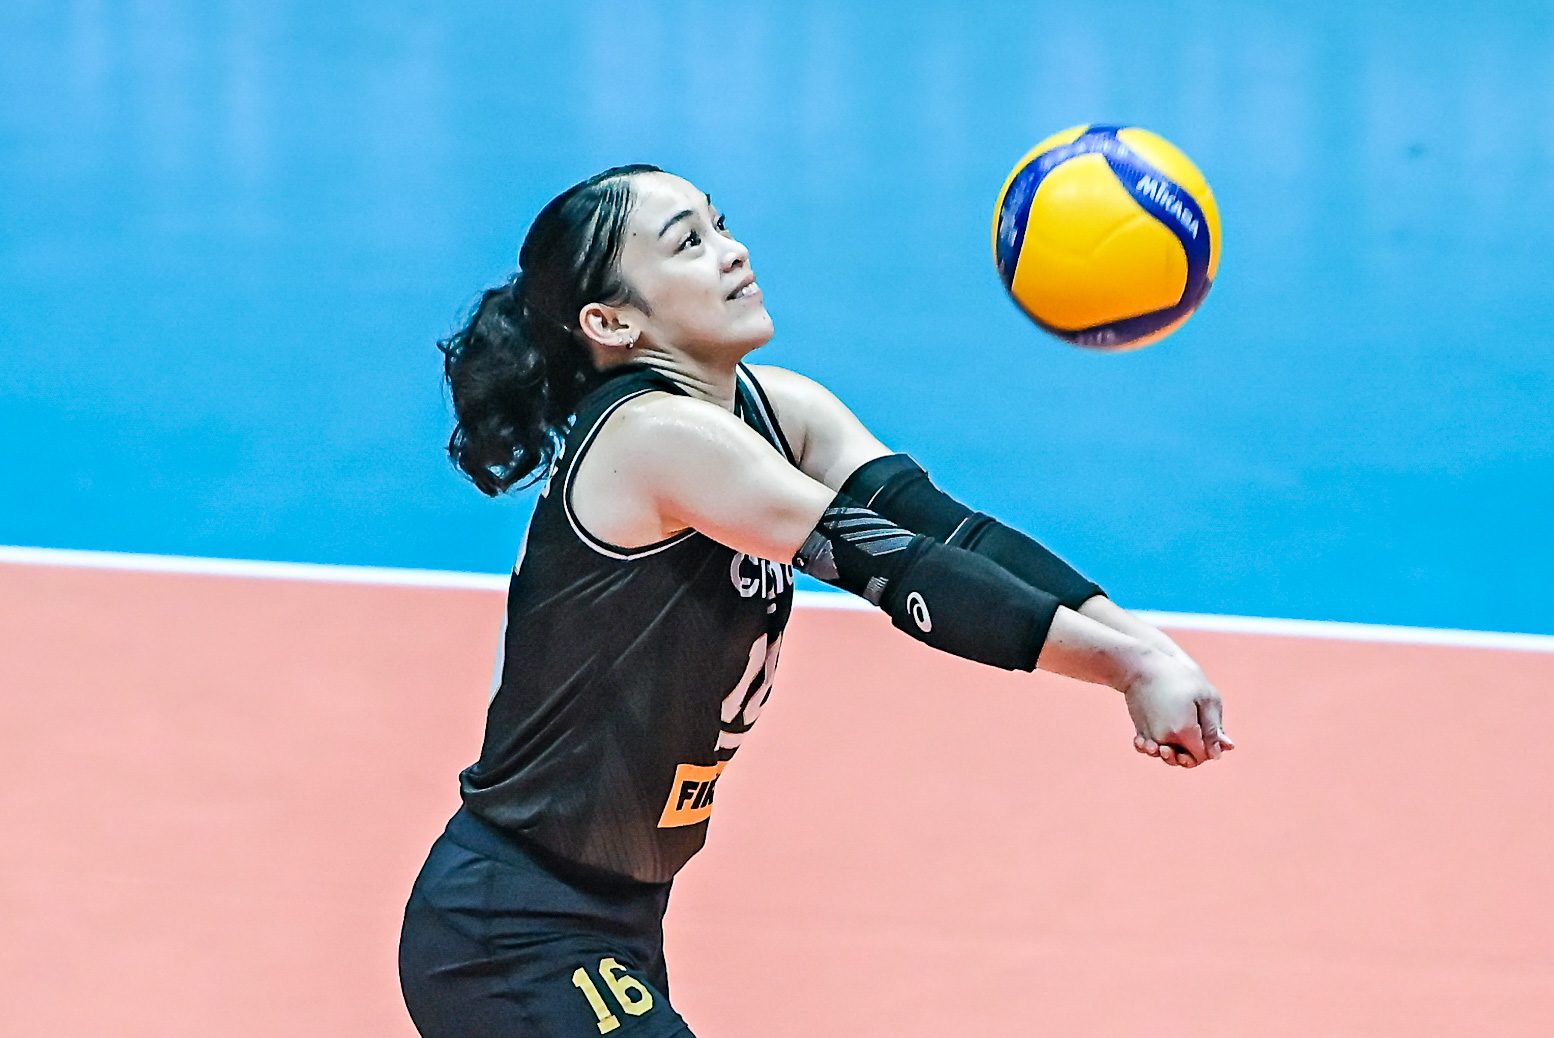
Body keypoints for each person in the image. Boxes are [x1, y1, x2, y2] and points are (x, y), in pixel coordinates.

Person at [399, 164, 1233, 1038]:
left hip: (614, 918)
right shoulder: (651, 438)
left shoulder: (781, 411)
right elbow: (899, 569)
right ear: (612, 322)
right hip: (513, 927)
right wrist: (1123, 668)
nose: (732, 252)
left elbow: (951, 535)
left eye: (720, 224)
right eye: (688, 244)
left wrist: (1147, 649)